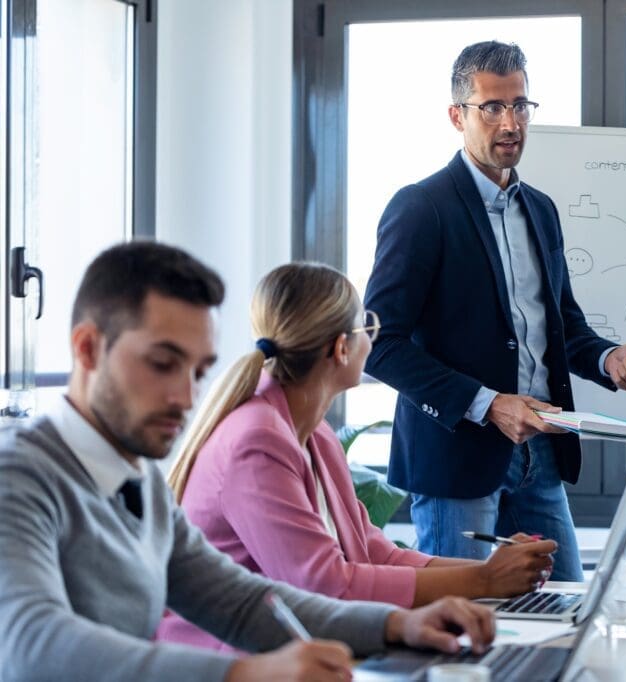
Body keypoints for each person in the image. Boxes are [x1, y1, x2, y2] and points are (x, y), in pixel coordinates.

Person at [0, 242, 495, 682]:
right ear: (87, 349)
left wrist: (397, 624)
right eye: (162, 364)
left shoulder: (138, 479)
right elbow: (31, 641)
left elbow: (239, 602)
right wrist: (242, 673)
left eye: (198, 372)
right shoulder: (18, 476)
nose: (185, 397)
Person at [362, 40, 626, 582]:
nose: (510, 122)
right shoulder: (422, 208)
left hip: (540, 454)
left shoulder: (540, 209)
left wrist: (608, 358)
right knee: (465, 618)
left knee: (566, 606)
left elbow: (563, 327)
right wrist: (489, 403)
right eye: (492, 107)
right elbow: (378, 343)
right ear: (458, 116)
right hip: (456, 461)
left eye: (520, 105)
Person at [158, 262, 556, 651]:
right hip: (231, 661)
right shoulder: (257, 441)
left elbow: (374, 553)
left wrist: (493, 569)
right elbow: (325, 587)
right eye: (368, 327)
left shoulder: (313, 433)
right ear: (341, 348)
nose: (373, 340)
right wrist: (485, 581)